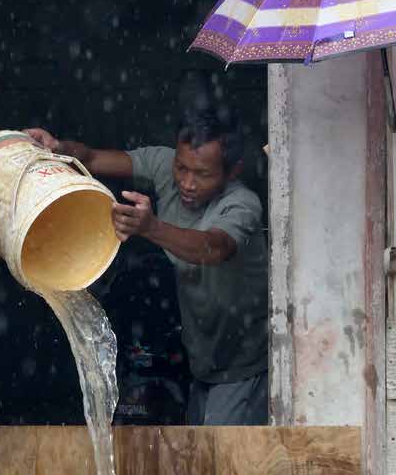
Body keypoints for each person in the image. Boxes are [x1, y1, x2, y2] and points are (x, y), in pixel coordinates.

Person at [24, 111, 269, 426]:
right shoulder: (164, 166)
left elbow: (214, 247)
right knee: (200, 458)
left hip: (243, 364)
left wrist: (151, 227)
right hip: (202, 362)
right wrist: (58, 148)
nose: (187, 182)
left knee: (223, 465)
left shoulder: (242, 204)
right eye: (182, 168)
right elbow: (93, 157)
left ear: (231, 172)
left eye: (202, 174)